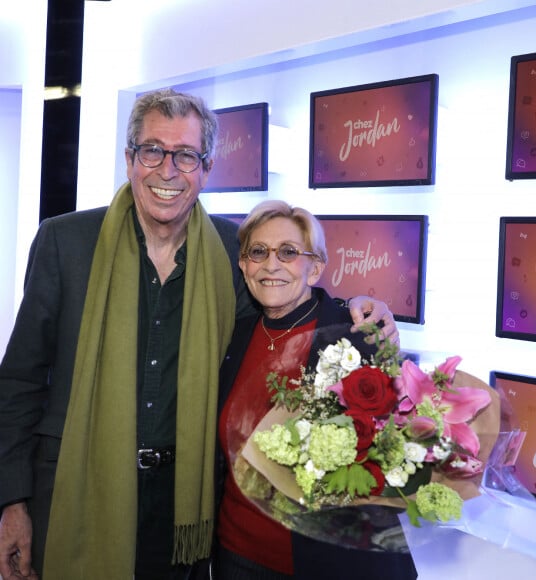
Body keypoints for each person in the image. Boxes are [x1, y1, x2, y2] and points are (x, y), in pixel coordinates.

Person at [0, 89, 399, 580]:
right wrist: (11, 502)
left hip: (183, 506)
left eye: (185, 155)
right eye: (153, 151)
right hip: (76, 490)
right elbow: (19, 381)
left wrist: (359, 307)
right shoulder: (66, 242)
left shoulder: (235, 251)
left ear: (206, 168)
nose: (168, 170)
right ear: (130, 159)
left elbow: (293, 296)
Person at [215, 200, 408, 580]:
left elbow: (396, 459)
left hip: (329, 564)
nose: (271, 264)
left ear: (315, 268)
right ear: (243, 265)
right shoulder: (233, 335)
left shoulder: (358, 338)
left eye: (288, 252)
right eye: (258, 252)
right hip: (235, 554)